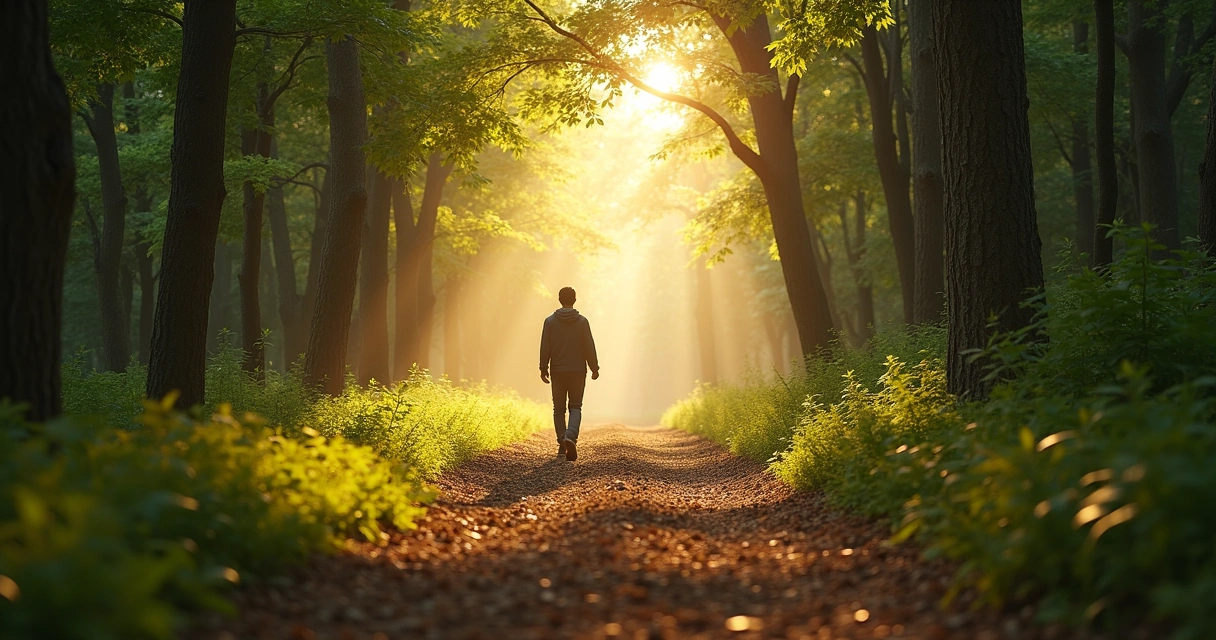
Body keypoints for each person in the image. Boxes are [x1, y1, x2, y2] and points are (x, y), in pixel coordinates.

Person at [539, 286, 599, 461]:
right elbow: (589, 346)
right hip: (578, 370)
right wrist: (594, 367)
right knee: (575, 406)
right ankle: (570, 437)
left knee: (558, 409)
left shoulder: (549, 322)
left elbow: (545, 347)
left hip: (557, 370)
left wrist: (543, 368)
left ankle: (562, 443)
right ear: (575, 300)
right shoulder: (582, 322)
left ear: (559, 299)